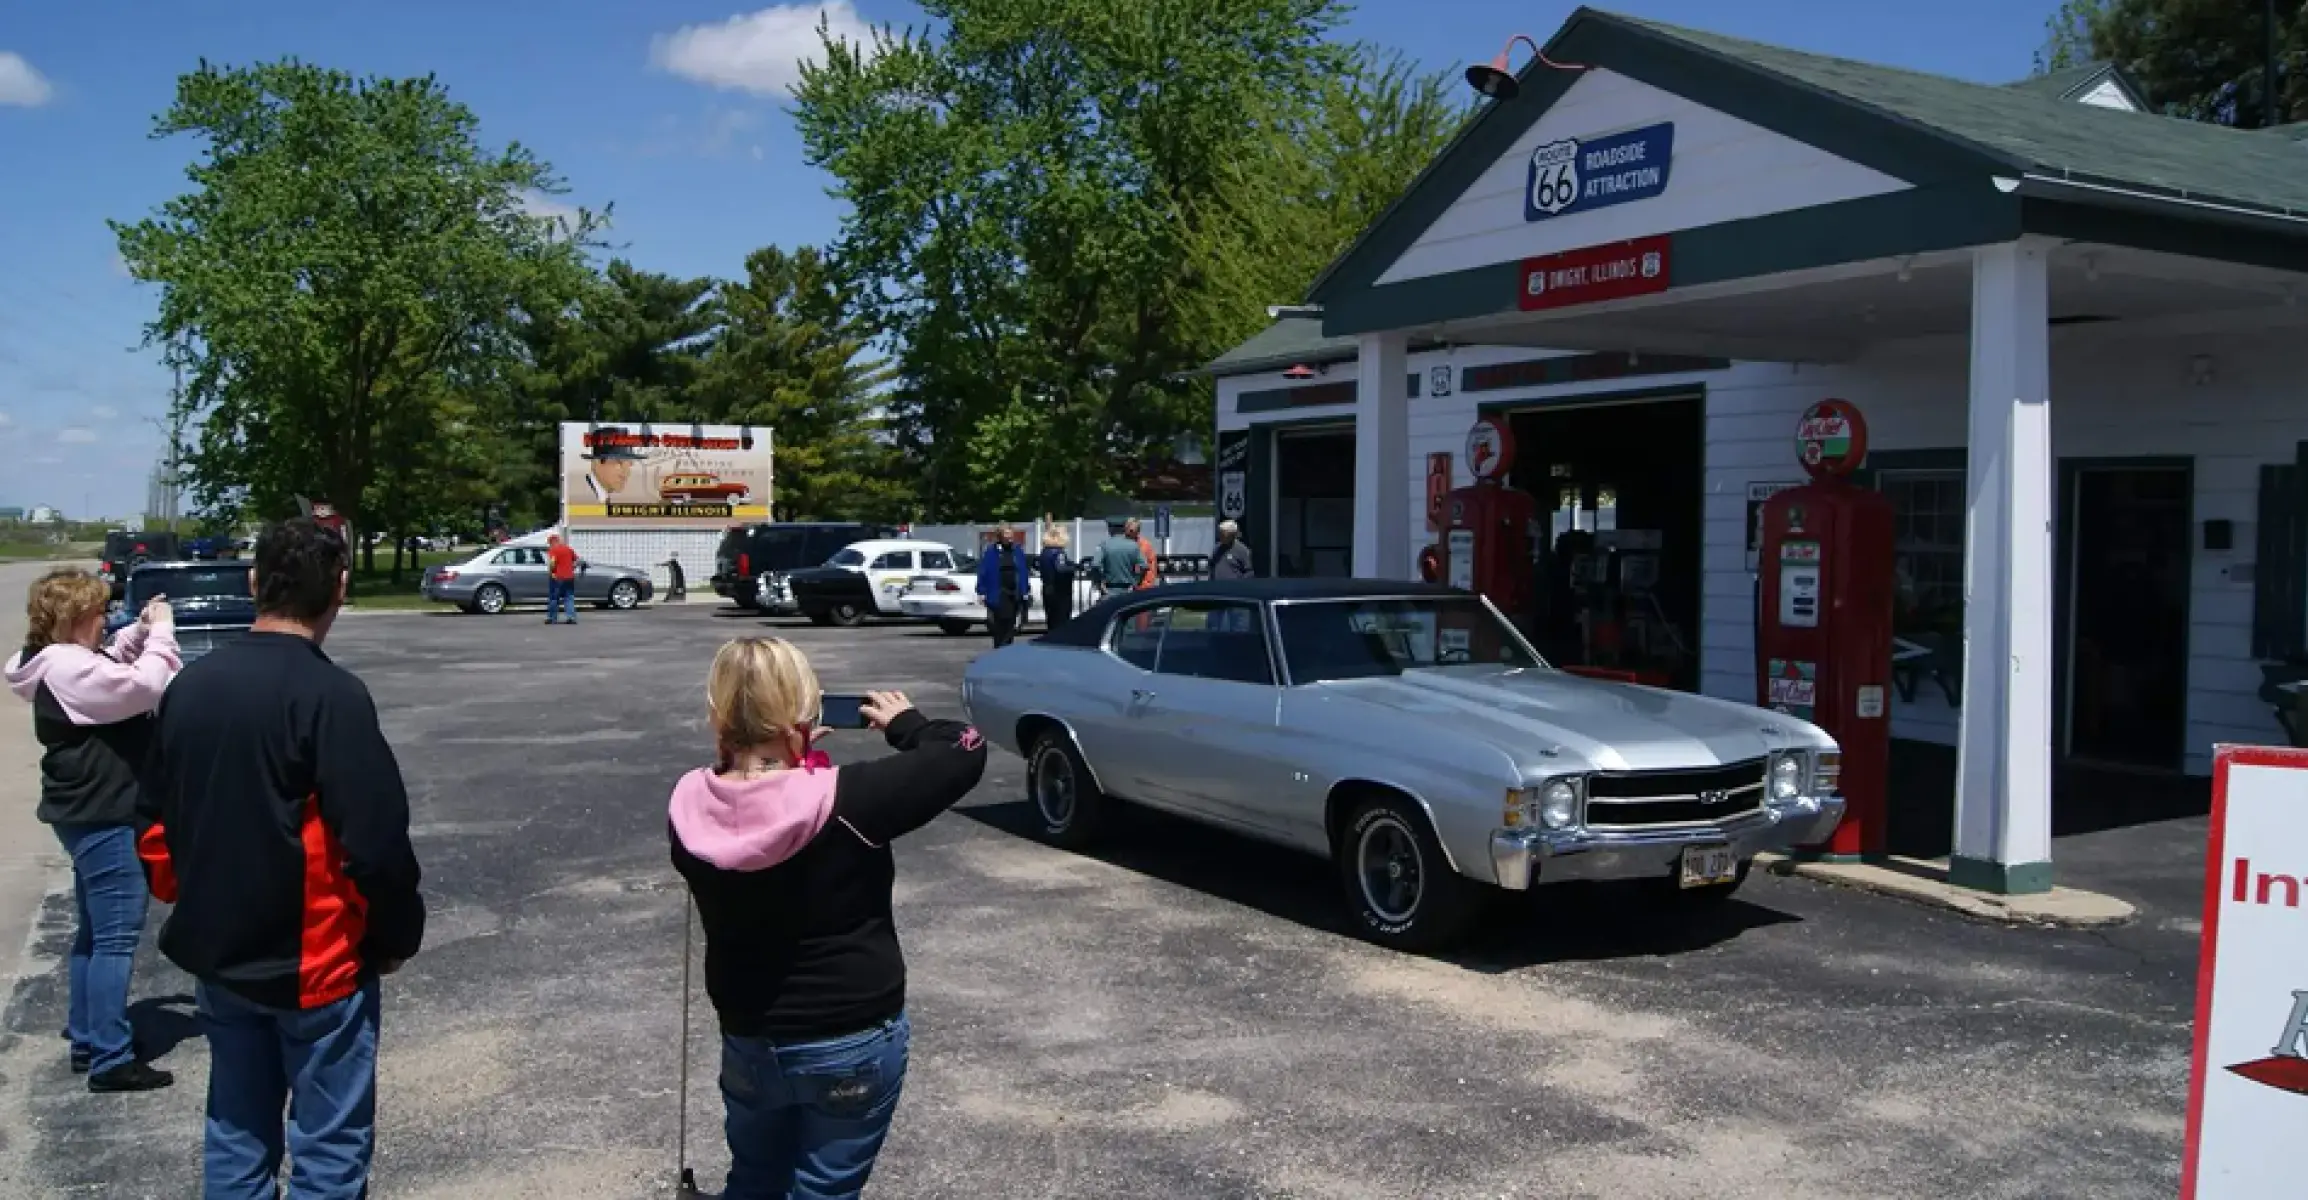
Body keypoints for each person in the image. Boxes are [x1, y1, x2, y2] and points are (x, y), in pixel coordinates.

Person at [138, 518, 425, 1200]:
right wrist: (392, 938)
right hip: (316, 967)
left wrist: (189, 896)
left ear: (253, 582)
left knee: (236, 1135)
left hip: (222, 955)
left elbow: (154, 824)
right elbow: (376, 846)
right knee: (328, 1152)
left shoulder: (190, 689)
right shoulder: (332, 696)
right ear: (341, 590)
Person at [668, 638, 987, 1199]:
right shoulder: (850, 800)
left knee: (753, 1180)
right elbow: (964, 748)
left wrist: (781, 753)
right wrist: (904, 723)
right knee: (824, 1188)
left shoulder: (689, 807)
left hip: (750, 1034)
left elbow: (753, 798)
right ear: (805, 711)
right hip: (849, 1035)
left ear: (718, 714)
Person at [4, 569, 182, 1092]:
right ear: (76, 618)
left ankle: (89, 1036)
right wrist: (165, 632)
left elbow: (107, 661)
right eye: (99, 612)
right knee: (116, 938)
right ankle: (110, 1056)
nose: (106, 619)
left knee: (94, 933)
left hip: (82, 812)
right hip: (105, 813)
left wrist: (140, 631)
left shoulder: (54, 660)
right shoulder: (67, 668)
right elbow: (145, 684)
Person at [975, 525, 1032, 649]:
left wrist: (1025, 589)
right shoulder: (991, 551)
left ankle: (1007, 648)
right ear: (1000, 536)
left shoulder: (1017, 550)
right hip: (999, 592)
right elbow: (984, 571)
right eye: (1006, 534)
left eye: (1011, 534)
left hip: (1014, 592)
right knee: (1000, 623)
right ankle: (1000, 647)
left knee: (1011, 623)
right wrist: (981, 590)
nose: (1010, 537)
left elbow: (1023, 571)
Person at [580, 426, 646, 502]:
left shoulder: (600, 496)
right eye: (619, 463)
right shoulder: (585, 496)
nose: (626, 473)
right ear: (597, 462)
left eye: (629, 464)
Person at [1035, 523, 1075, 630]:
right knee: (1061, 622)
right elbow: (1060, 569)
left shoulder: (1045, 552)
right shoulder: (1058, 553)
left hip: (1047, 589)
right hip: (1060, 592)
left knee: (1051, 622)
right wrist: (1074, 568)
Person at [1096, 521, 1147, 597]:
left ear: (1110, 529)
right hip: (1128, 591)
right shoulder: (1133, 545)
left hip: (1109, 590)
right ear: (1124, 529)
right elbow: (1144, 566)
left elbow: (1095, 565)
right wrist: (1135, 583)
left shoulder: (1103, 545)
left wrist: (1100, 585)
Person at [547, 533, 580, 625]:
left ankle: (552, 618)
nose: (550, 545)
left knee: (554, 598)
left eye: (550, 543)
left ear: (552, 542)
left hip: (558, 578)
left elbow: (552, 562)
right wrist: (572, 567)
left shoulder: (553, 550)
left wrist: (552, 572)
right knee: (569, 598)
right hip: (569, 578)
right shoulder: (568, 549)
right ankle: (571, 617)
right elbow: (577, 560)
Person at [1125, 518, 1159, 590]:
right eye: (1126, 529)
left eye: (1131, 531)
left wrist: (1133, 584)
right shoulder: (1128, 543)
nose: (1127, 533)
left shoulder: (1143, 546)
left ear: (1137, 531)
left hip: (1143, 586)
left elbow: (1141, 568)